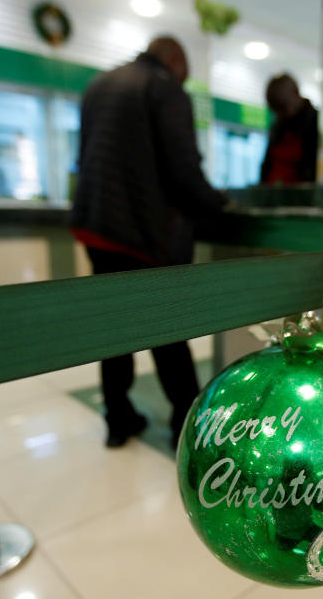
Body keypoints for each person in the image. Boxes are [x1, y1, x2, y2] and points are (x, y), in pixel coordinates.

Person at [70, 36, 227, 448]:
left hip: (96, 224)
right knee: (167, 327)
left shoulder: (98, 84)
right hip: (143, 231)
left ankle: (118, 418)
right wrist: (217, 204)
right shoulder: (163, 87)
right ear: (176, 60)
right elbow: (182, 168)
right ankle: (187, 426)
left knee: (115, 327)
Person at [260, 74, 319, 185]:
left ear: (296, 95)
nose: (279, 114)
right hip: (273, 196)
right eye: (275, 110)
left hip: (301, 197)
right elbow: (267, 164)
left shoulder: (315, 123)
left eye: (283, 107)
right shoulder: (277, 128)